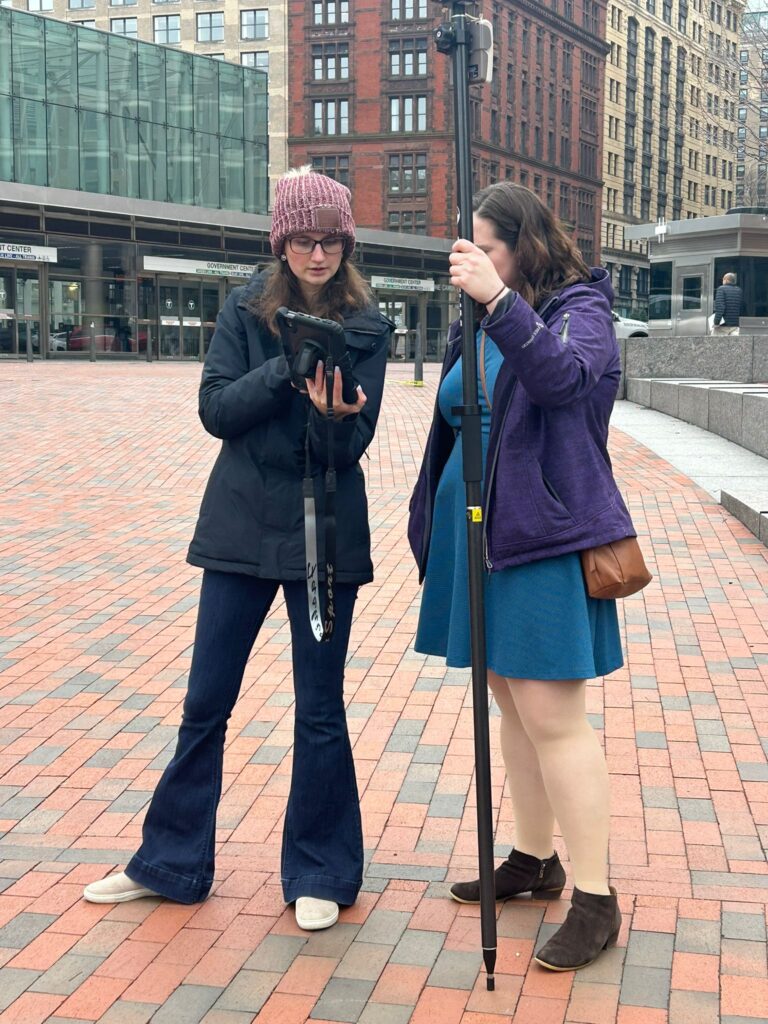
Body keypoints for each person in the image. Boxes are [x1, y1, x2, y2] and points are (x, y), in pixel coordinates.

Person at [82, 166, 392, 932]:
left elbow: (351, 445)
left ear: (345, 245)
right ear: (280, 241)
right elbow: (216, 409)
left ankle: (321, 870)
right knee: (205, 701)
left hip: (324, 532)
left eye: (329, 241)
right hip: (240, 526)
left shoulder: (367, 326)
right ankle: (169, 862)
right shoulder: (242, 310)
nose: (316, 254)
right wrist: (283, 369)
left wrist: (327, 413)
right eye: (301, 239)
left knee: (319, 706)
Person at [408, 182, 638, 972]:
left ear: (524, 245)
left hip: (537, 539)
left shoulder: (581, 310)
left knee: (553, 717)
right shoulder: (482, 314)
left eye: (486, 244)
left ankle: (598, 898)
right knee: (509, 701)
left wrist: (499, 300)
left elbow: (565, 383)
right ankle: (535, 859)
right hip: (477, 536)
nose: (468, 257)